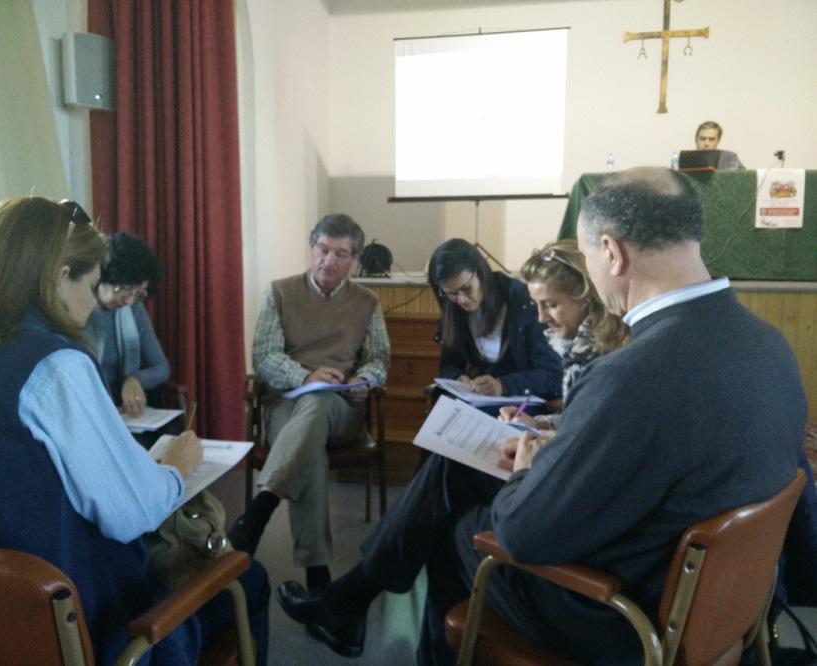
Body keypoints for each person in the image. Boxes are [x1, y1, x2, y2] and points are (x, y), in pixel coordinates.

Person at [275, 167, 806, 664]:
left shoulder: (634, 373)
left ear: (612, 253)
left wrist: (532, 469)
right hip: (717, 599)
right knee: (457, 469)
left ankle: (389, 626)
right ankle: (346, 603)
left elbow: (525, 535)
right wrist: (564, 444)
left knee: (455, 532)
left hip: (621, 613)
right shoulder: (770, 346)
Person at [0, 197, 269, 665]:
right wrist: (175, 471)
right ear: (60, 276)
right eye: (92, 281)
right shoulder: (54, 365)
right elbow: (133, 513)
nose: (93, 297)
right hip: (69, 629)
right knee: (249, 580)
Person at [228, 213, 390, 593]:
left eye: (341, 254)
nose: (329, 261)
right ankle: (318, 580)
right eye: (323, 250)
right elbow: (265, 355)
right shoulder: (280, 292)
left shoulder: (367, 301)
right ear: (311, 247)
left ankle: (259, 511)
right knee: (310, 453)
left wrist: (363, 381)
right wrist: (304, 376)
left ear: (355, 259)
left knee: (318, 405)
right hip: (286, 402)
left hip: (342, 408)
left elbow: (379, 357)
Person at [502, 238, 630, 432]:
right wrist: (538, 423)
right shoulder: (575, 348)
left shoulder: (604, 355)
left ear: (584, 296)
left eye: (551, 305)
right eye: (536, 305)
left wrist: (543, 440)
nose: (541, 318)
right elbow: (578, 420)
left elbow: (595, 434)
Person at [427, 239, 562, 404]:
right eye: (451, 293)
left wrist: (502, 385)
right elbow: (450, 363)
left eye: (466, 288)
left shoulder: (523, 302)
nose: (461, 299)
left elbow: (553, 374)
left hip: (521, 404)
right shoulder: (453, 309)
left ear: (481, 273)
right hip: (478, 401)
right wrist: (458, 378)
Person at [85, 232, 169, 418]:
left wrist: (134, 380)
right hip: (89, 411)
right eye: (124, 290)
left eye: (138, 292)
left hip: (124, 413)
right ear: (101, 278)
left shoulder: (134, 310)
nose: (130, 300)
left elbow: (161, 367)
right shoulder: (80, 310)